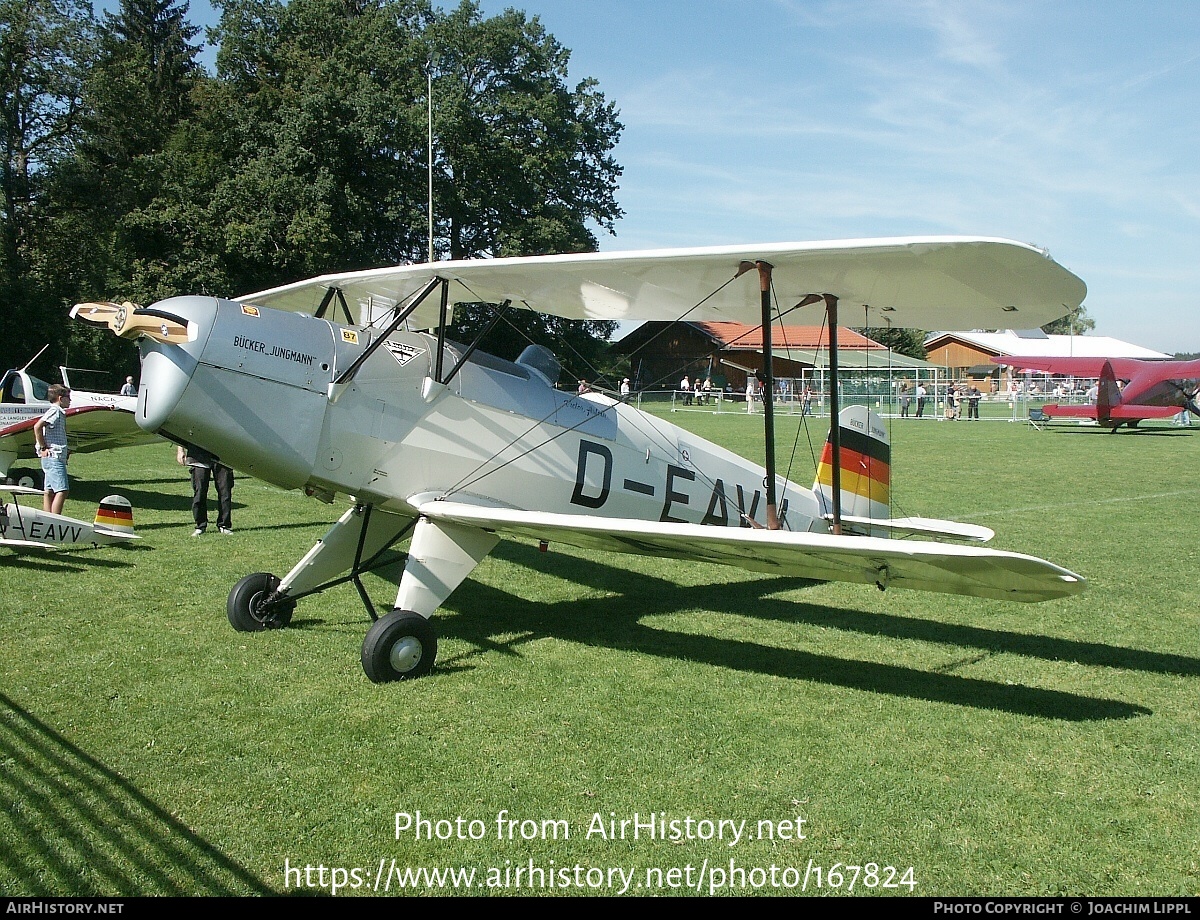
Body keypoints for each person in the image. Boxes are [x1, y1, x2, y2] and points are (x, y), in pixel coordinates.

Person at [179, 443, 234, 535]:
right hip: (198, 454)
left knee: (225, 492)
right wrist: (180, 450)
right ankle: (200, 525)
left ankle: (224, 525)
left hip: (223, 454)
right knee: (199, 492)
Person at [32, 384, 71, 514]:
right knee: (62, 490)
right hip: (54, 457)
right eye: (68, 397)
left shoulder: (57, 412)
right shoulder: (56, 411)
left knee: (48, 491)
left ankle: (47, 518)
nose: (70, 400)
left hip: (51, 457)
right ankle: (56, 520)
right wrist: (43, 447)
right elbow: (37, 427)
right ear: (60, 398)